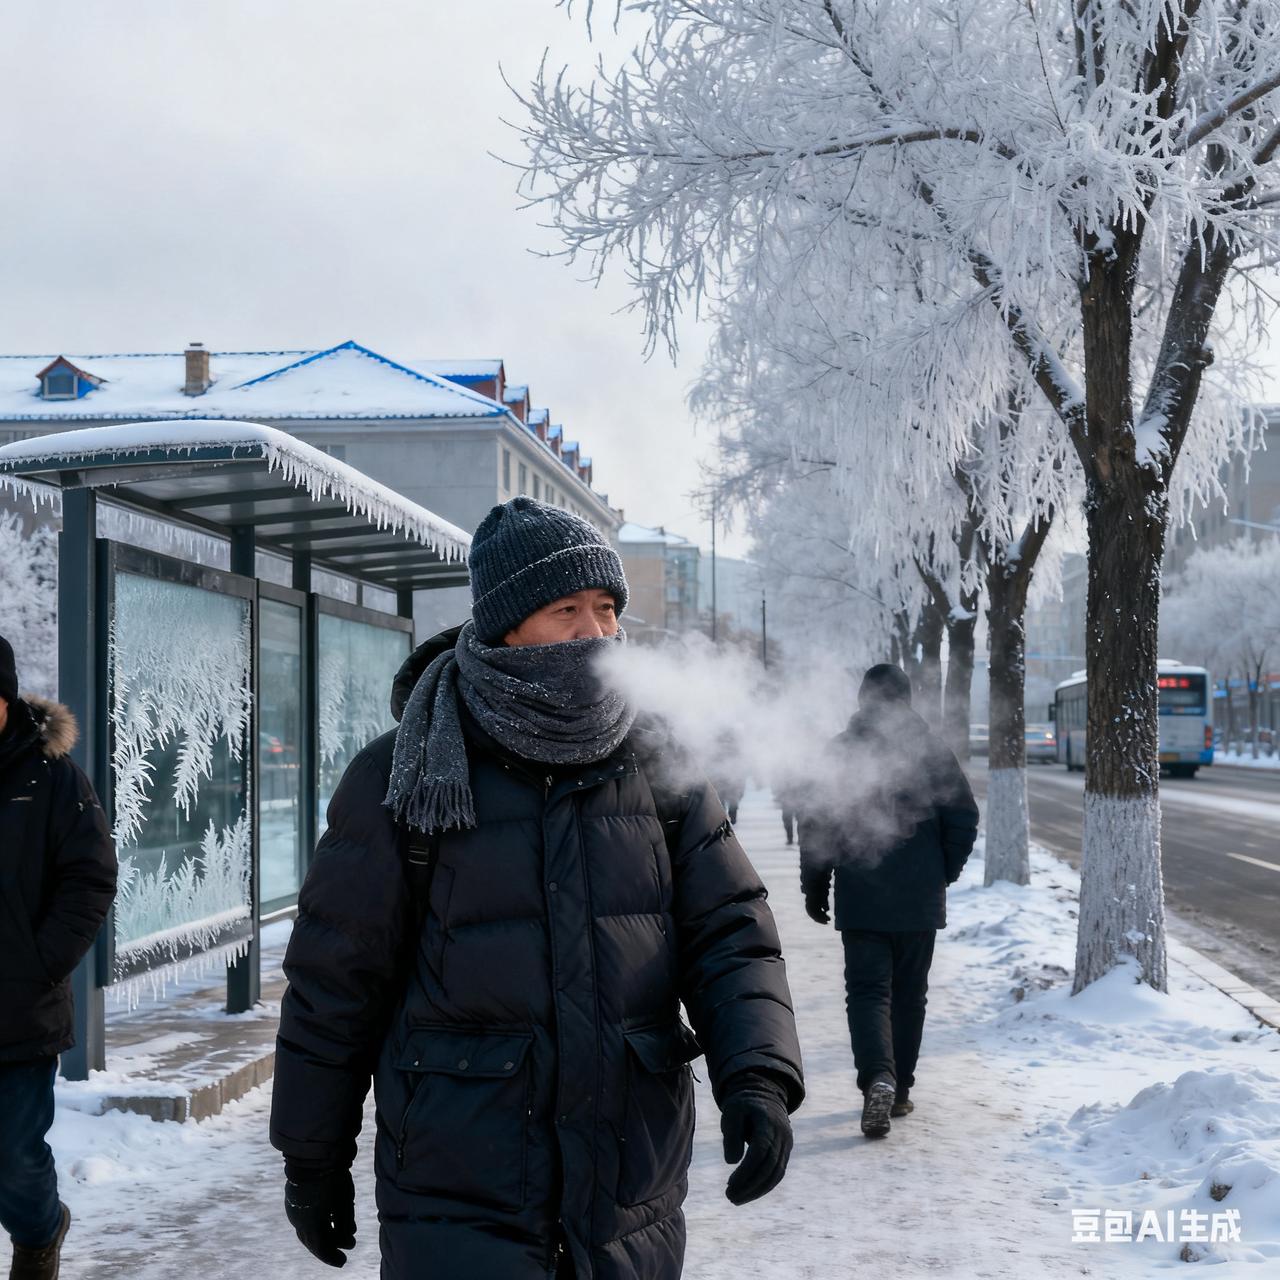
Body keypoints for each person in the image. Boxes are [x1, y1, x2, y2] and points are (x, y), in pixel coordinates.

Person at [270, 498, 804, 1280]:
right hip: (459, 1188)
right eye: (567, 611)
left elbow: (731, 932)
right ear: (507, 624)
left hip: (627, 1188)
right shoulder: (404, 774)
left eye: (607, 610)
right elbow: (334, 982)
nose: (596, 634)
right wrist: (311, 1157)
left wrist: (758, 1076)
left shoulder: (660, 762)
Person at [799, 663, 977, 1140]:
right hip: (919, 899)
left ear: (862, 700)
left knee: (867, 992)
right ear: (907, 700)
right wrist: (943, 872)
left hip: (862, 896)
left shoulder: (841, 750)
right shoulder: (933, 753)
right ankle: (898, 1091)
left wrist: (815, 886)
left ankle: (876, 1076)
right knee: (909, 995)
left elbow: (817, 824)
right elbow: (964, 818)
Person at [0, 634, 117, 1280]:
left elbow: (91, 876)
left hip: (20, 1010)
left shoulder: (52, 777)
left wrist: (42, 963)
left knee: (14, 1159)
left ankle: (40, 1233)